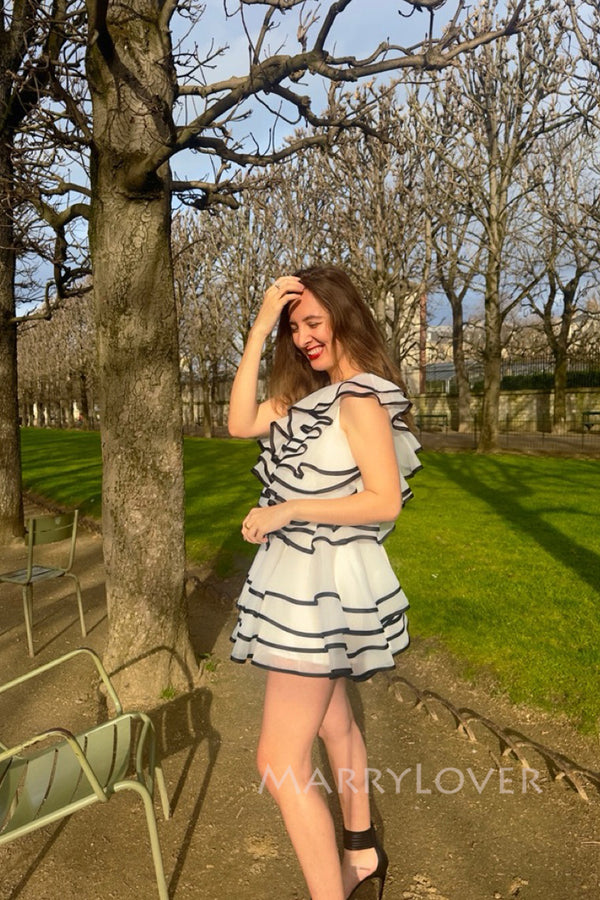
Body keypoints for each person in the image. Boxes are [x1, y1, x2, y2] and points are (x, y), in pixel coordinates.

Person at [228, 265, 421, 900]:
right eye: (295, 328)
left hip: (317, 594)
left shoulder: (360, 399)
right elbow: (238, 423)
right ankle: (362, 853)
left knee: (277, 760)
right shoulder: (309, 398)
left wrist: (288, 509)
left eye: (314, 322)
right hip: (309, 586)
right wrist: (261, 327)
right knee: (334, 722)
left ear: (345, 316)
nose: (304, 337)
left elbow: (384, 501)